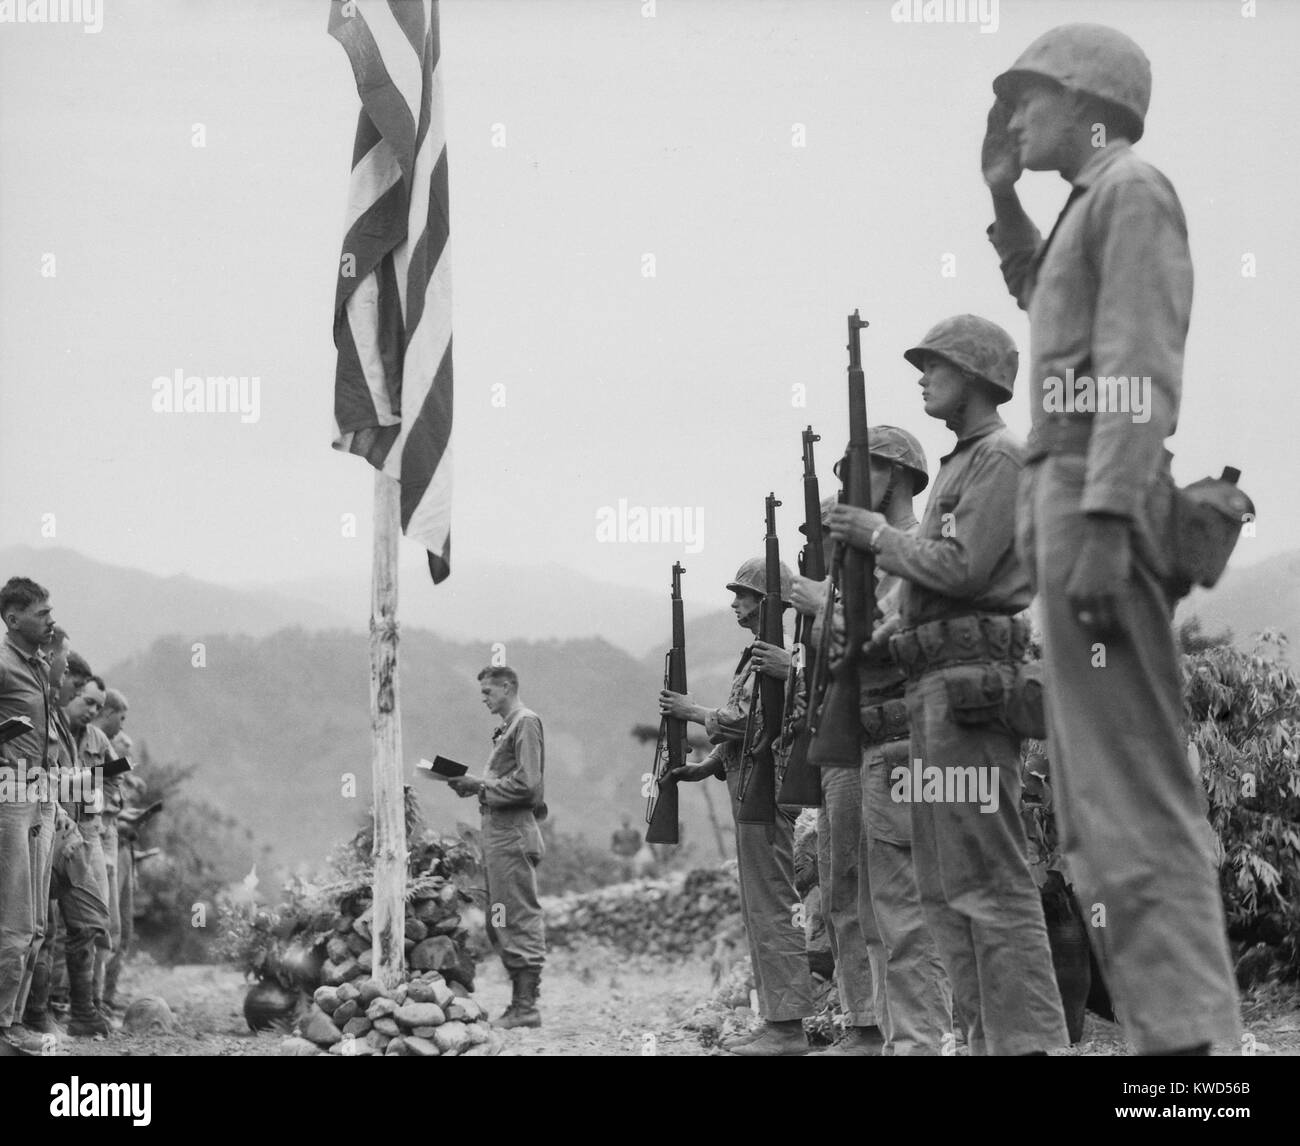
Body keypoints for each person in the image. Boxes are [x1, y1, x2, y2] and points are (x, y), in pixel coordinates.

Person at [983, 23, 1239, 1054]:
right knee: (1101, 809)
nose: (1011, 115)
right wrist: (1002, 196)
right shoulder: (1089, 210)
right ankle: (1174, 1048)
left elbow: (1138, 368)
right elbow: (1049, 303)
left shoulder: (1132, 190)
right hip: (1075, 510)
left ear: (1090, 96)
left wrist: (1099, 521)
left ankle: (1198, 1061)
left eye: (1028, 96)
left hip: (1100, 510)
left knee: (1135, 798)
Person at [830, 315, 1067, 1056]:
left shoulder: (999, 457)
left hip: (968, 695)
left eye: (937, 365)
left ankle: (1029, 1045)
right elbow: (937, 581)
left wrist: (876, 535)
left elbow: (962, 570)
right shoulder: (964, 462)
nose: (923, 376)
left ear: (977, 376)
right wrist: (884, 631)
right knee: (941, 887)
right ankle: (982, 1039)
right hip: (933, 691)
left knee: (990, 882)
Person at [818, 427, 954, 1055]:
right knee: (882, 912)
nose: (847, 483)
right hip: (878, 744)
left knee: (908, 917)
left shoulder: (918, 546)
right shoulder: (881, 556)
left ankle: (922, 1045)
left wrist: (819, 606)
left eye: (858, 469)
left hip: (906, 739)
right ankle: (906, 1041)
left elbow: (880, 643)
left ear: (894, 475)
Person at [662, 558, 815, 1056]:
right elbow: (750, 729)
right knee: (759, 907)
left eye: (743, 595)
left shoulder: (785, 658)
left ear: (766, 603)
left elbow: (753, 722)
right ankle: (776, 1019)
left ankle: (788, 1027)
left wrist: (694, 712)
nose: (734, 603)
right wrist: (708, 766)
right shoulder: (756, 657)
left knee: (772, 907)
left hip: (768, 791)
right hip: (750, 785)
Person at [449, 666, 547, 1029]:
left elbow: (530, 786)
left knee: (517, 914)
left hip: (513, 833)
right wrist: (476, 786)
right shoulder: (509, 727)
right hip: (498, 832)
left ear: (508, 687)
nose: (484, 698)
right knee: (499, 918)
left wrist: (479, 786)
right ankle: (519, 1002)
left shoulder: (526, 723)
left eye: (489, 691)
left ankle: (526, 1005)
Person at [23, 673, 114, 1038]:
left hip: (74, 832)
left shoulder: (85, 735)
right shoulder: (46, 719)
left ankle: (80, 1008)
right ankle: (43, 1011)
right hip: (49, 826)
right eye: (83, 697)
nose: (90, 708)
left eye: (95, 704)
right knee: (42, 927)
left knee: (85, 921)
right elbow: (43, 776)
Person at [0, 578, 59, 1054]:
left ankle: (15, 1022)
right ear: (12, 618)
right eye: (41, 612)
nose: (49, 619)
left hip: (39, 794)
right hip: (10, 796)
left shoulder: (36, 666)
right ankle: (4, 1026)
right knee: (16, 920)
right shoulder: (1, 665)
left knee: (36, 924)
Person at [92, 689, 131, 1011]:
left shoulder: (98, 743)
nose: (122, 726)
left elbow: (109, 786)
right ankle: (78, 1001)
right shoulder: (85, 739)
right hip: (92, 829)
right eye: (121, 717)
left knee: (111, 925)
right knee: (91, 922)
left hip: (106, 829)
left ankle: (95, 999)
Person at [610, 817, 642, 881]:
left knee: (632, 872)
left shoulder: (634, 832)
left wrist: (636, 851)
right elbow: (613, 844)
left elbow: (639, 843)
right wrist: (616, 852)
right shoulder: (618, 832)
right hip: (623, 855)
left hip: (631, 855)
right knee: (623, 872)